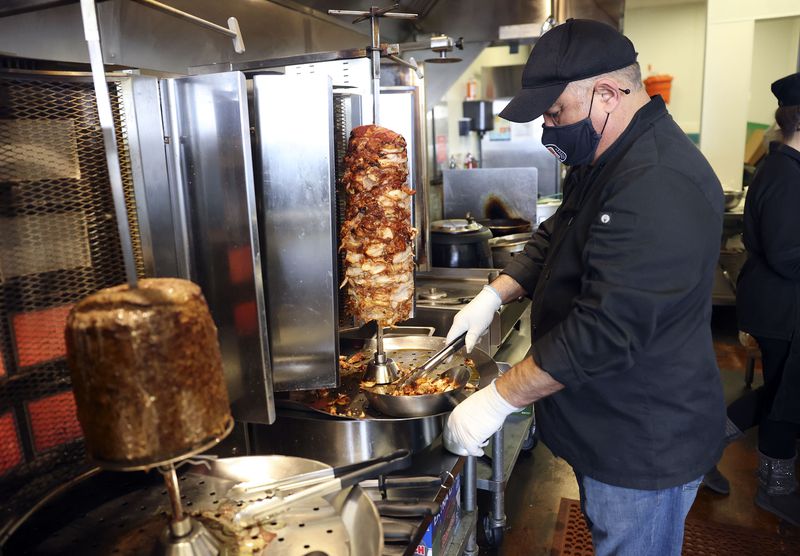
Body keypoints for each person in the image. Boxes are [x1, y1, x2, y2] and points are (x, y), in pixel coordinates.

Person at [442, 19, 725, 556]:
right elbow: (557, 233)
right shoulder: (607, 157)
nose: (548, 129)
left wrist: (495, 402)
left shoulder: (657, 182)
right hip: (606, 424)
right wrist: (494, 294)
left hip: (642, 443)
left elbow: (606, 330)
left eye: (555, 112)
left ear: (607, 93)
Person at [702, 72, 800, 526]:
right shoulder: (785, 174)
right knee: (788, 398)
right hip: (782, 305)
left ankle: (703, 448)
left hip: (780, 302)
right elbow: (787, 253)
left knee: (781, 392)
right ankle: (774, 489)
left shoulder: (785, 167)